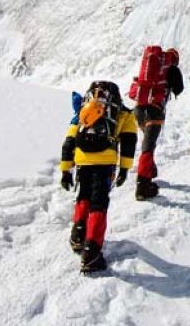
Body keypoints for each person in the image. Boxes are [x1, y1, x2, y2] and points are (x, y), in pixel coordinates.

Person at [59, 81, 137, 273]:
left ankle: (78, 237)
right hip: (104, 163)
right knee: (99, 204)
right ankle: (92, 253)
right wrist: (124, 169)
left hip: (82, 160)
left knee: (83, 196)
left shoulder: (83, 111)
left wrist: (65, 170)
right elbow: (129, 143)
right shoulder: (124, 113)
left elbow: (69, 141)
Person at [131, 47, 184, 201]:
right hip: (154, 110)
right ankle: (143, 185)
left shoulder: (150, 65)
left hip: (139, 109)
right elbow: (179, 89)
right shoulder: (172, 68)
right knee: (148, 146)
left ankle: (150, 169)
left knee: (148, 142)